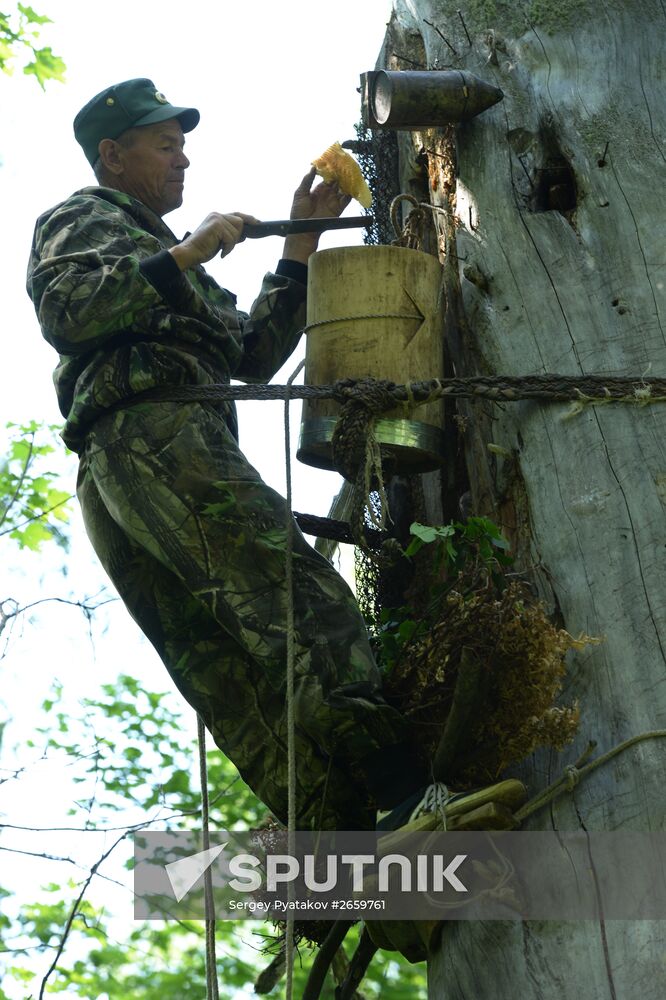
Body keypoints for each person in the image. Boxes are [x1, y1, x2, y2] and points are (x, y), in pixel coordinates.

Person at [27, 78, 427, 832]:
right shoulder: (85, 216)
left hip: (149, 452)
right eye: (166, 146)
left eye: (184, 147)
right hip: (149, 438)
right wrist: (189, 249)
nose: (184, 162)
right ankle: (404, 794)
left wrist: (300, 241)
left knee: (229, 665)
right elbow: (70, 311)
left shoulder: (168, 259)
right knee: (295, 597)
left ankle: (345, 849)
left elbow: (252, 353)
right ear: (112, 157)